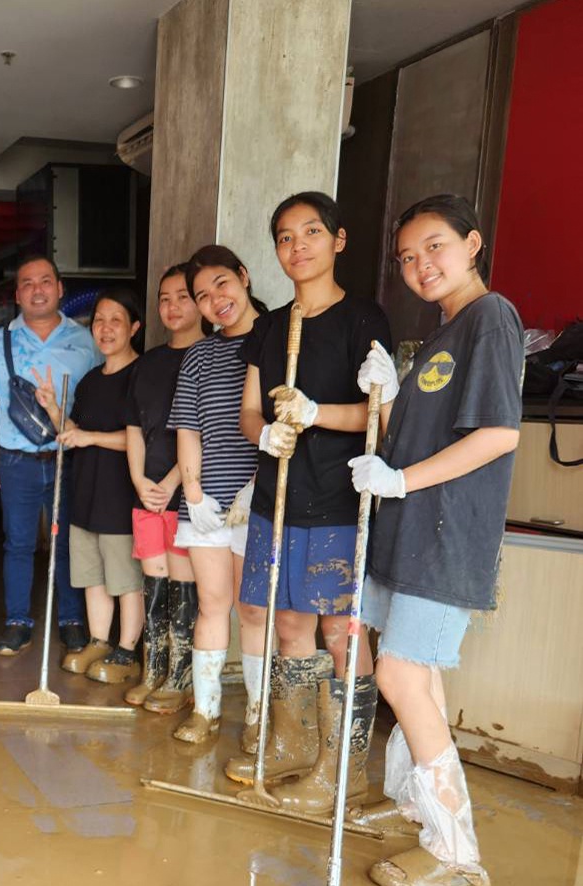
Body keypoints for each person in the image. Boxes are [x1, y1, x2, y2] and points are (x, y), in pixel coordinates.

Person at [348, 195, 521, 886]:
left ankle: (456, 853)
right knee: (416, 674)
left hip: (446, 534)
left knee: (399, 673)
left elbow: (498, 435)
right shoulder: (443, 334)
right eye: (408, 257)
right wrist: (386, 396)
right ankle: (420, 808)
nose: (421, 265)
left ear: (473, 243)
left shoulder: (491, 317)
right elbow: (406, 440)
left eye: (435, 247)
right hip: (412, 530)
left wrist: (399, 482)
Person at [224, 192, 392, 816]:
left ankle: (344, 768)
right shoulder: (271, 327)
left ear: (338, 240)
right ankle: (293, 746)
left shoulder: (363, 320)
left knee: (340, 630)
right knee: (287, 622)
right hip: (276, 498)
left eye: (311, 232)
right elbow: (248, 410)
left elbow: (382, 415)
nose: (298, 246)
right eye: (286, 237)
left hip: (337, 502)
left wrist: (318, 413)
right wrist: (264, 432)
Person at [164, 245, 268, 742]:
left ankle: (257, 716)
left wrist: (257, 487)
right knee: (211, 604)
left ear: (244, 276)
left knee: (253, 610)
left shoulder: (276, 341)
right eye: (202, 296)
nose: (214, 301)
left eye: (221, 284)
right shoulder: (200, 356)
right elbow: (187, 427)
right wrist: (194, 491)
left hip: (260, 502)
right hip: (206, 503)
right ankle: (205, 712)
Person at [0, 255, 100, 656]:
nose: (37, 289)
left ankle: (72, 620)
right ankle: (17, 621)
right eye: (28, 283)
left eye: (45, 281)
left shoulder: (87, 340)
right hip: (17, 460)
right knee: (19, 543)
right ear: (18, 295)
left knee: (68, 543)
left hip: (70, 458)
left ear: (60, 289)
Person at [31, 288, 144, 682]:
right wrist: (53, 409)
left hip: (121, 496)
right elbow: (74, 432)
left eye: (116, 320)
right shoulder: (92, 380)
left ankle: (126, 651)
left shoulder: (140, 376)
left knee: (126, 580)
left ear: (134, 328)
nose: (105, 328)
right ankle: (99, 640)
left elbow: (142, 439)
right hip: (86, 492)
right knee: (92, 577)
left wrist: (91, 438)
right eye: (99, 320)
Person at [123, 265, 204, 707]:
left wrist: (174, 480)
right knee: (152, 582)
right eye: (164, 298)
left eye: (183, 297)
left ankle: (180, 677)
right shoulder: (148, 362)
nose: (172, 307)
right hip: (148, 491)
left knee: (182, 586)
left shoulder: (211, 356)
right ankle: (152, 670)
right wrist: (140, 479)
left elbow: (209, 430)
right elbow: (134, 425)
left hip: (187, 494)